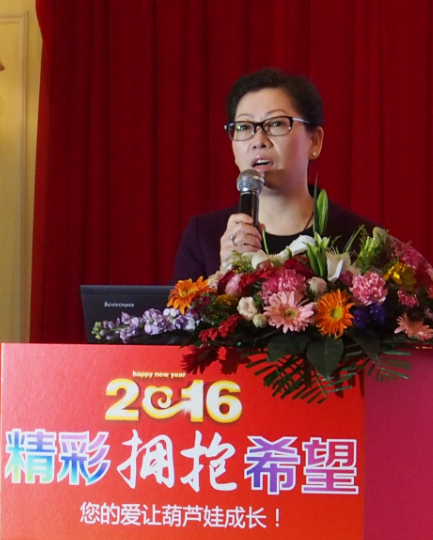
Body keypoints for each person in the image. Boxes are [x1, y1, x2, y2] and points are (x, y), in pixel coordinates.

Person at [172, 67, 379, 282]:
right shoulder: (204, 237)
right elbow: (175, 305)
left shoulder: (364, 239)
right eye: (244, 127)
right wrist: (223, 273)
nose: (258, 140)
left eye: (276, 124)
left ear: (314, 141)